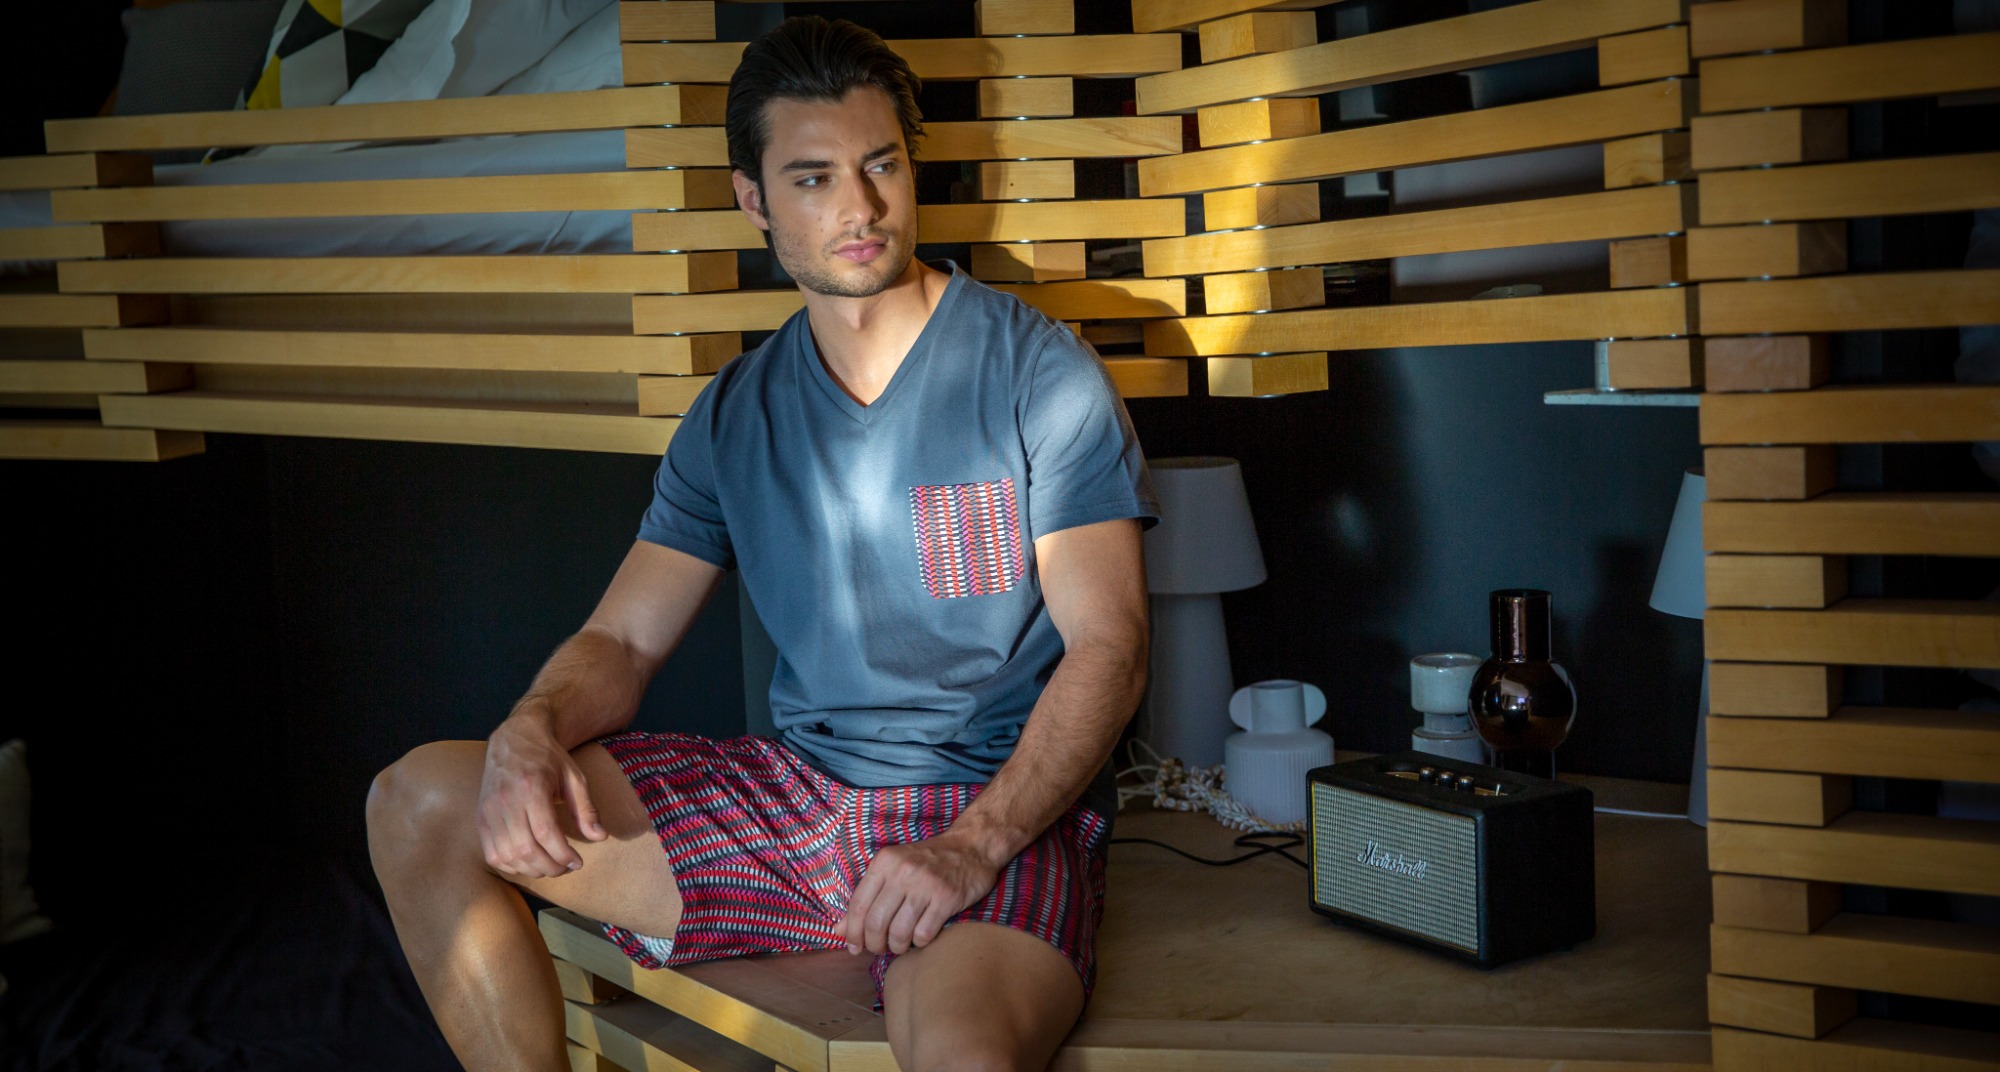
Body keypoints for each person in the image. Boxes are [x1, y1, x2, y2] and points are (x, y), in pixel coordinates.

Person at [366, 15, 1155, 1072]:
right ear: (754, 200)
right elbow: (624, 642)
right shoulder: (734, 411)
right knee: (417, 800)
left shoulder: (1037, 372)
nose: (860, 208)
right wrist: (530, 725)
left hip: (984, 810)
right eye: (813, 178)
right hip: (796, 802)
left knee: (965, 1057)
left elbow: (1110, 645)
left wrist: (972, 847)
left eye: (881, 165)